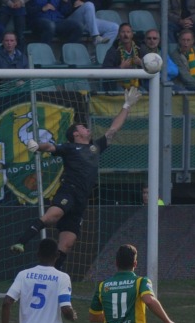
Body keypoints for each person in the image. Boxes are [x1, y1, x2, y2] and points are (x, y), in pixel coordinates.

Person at [10, 87, 141, 269]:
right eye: (83, 127)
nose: (87, 128)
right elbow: (50, 147)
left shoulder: (96, 147)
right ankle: (21, 242)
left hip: (81, 200)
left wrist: (127, 105)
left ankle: (53, 274)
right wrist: (36, 146)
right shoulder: (70, 148)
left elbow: (113, 129)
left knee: (67, 244)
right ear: (76, 134)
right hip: (68, 191)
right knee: (52, 216)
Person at [101, 22, 142, 91]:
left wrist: (141, 63)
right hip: (118, 85)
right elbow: (104, 71)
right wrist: (120, 68)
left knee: (145, 93)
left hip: (137, 84)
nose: (125, 35)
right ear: (119, 34)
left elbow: (149, 65)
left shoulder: (140, 48)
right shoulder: (113, 50)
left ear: (132, 34)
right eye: (123, 32)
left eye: (128, 32)